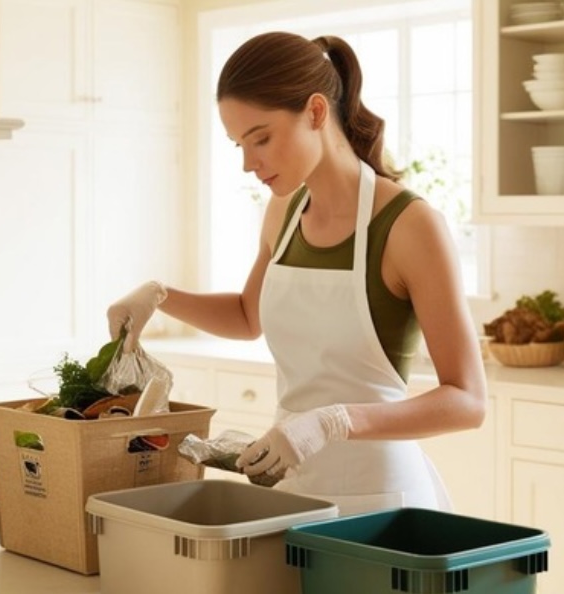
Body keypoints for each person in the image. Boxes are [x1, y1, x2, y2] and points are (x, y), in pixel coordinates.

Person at [107, 31, 487, 515]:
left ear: (315, 112)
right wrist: (160, 295)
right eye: (238, 144)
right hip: (295, 489)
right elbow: (248, 317)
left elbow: (468, 401)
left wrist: (333, 422)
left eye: (261, 138)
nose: (248, 163)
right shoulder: (283, 212)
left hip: (382, 502)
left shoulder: (410, 226)